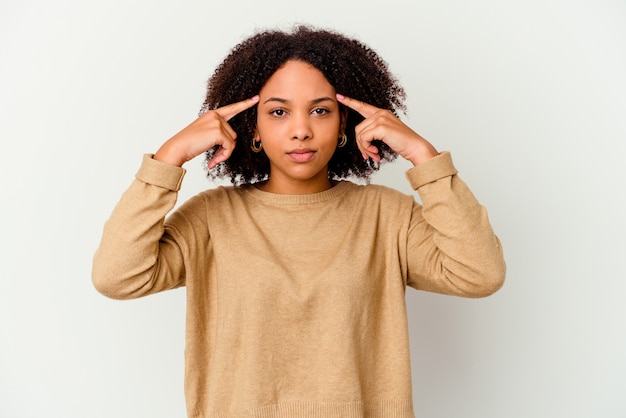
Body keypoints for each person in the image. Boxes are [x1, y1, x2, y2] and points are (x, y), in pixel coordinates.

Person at [92, 25, 505, 418]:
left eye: (320, 111)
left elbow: (479, 274)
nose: (301, 130)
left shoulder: (387, 216)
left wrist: (425, 157)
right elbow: (117, 276)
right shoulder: (211, 218)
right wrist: (168, 160)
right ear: (252, 128)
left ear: (345, 123)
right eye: (278, 112)